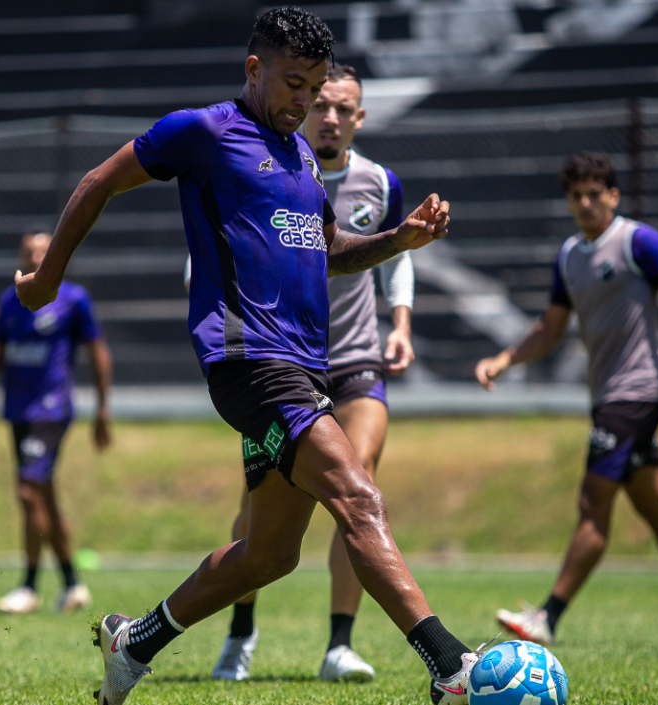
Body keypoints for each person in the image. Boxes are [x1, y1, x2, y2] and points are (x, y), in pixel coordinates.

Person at [13, 8, 477, 705]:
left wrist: (397, 242)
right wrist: (48, 279)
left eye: (318, 89)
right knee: (357, 492)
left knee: (271, 553)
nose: (306, 103)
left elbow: (329, 254)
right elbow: (98, 181)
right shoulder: (203, 131)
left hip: (299, 366)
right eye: (296, 85)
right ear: (255, 68)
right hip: (248, 363)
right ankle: (451, 667)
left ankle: (133, 641)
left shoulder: (298, 159)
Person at [475, 151, 658, 649]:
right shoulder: (569, 255)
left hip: (638, 392)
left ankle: (548, 616)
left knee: (594, 504)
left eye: (594, 193)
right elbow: (550, 328)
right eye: (575, 196)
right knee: (656, 507)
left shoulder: (638, 242)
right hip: (609, 393)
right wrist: (505, 359)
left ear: (613, 195)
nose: (585, 203)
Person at [209, 62, 415, 684]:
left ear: (359, 117)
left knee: (360, 481)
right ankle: (240, 633)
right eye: (320, 104)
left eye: (342, 108)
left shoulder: (380, 182)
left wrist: (401, 322)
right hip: (279, 363)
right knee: (260, 515)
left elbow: (394, 254)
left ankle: (340, 645)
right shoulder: (269, 169)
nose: (329, 116)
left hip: (354, 360)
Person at [0, 228, 112, 615]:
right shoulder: (9, 302)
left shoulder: (74, 300)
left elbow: (98, 353)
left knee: (28, 493)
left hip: (51, 409)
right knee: (44, 497)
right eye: (29, 253)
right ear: (20, 259)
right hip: (18, 410)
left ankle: (28, 586)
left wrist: (103, 409)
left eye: (44, 252)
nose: (36, 259)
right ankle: (73, 585)